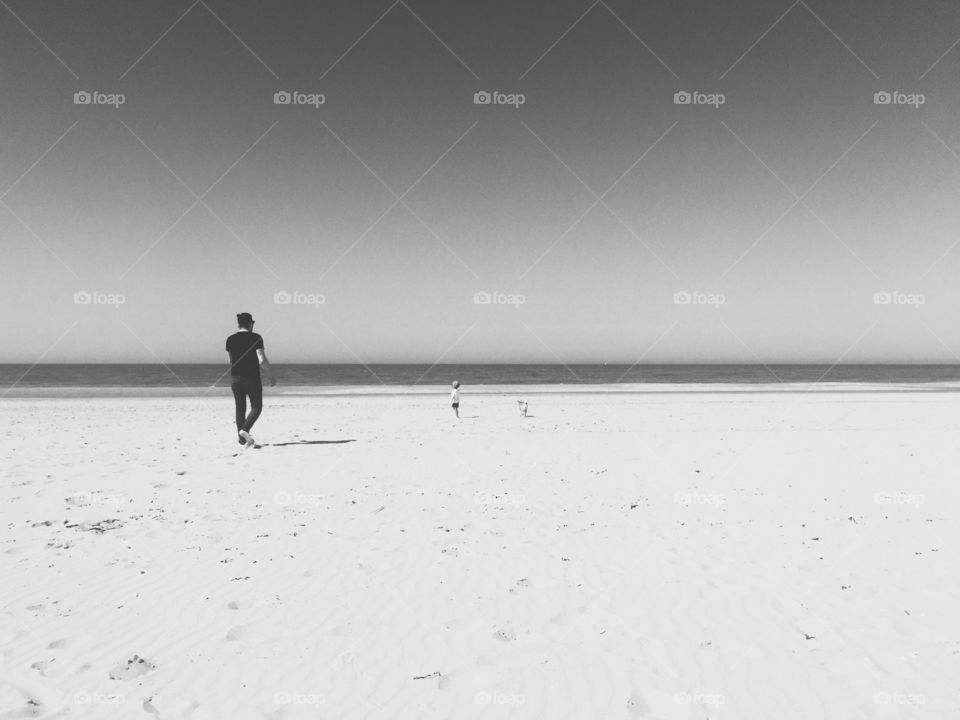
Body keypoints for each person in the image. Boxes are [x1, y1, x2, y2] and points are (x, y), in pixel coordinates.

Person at [225, 312, 275, 447]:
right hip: (252, 378)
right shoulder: (256, 337)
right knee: (257, 406)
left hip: (235, 378)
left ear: (238, 324)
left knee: (240, 408)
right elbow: (262, 359)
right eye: (252, 323)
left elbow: (230, 360)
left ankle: (242, 440)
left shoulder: (230, 339)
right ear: (250, 324)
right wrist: (271, 376)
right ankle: (245, 430)